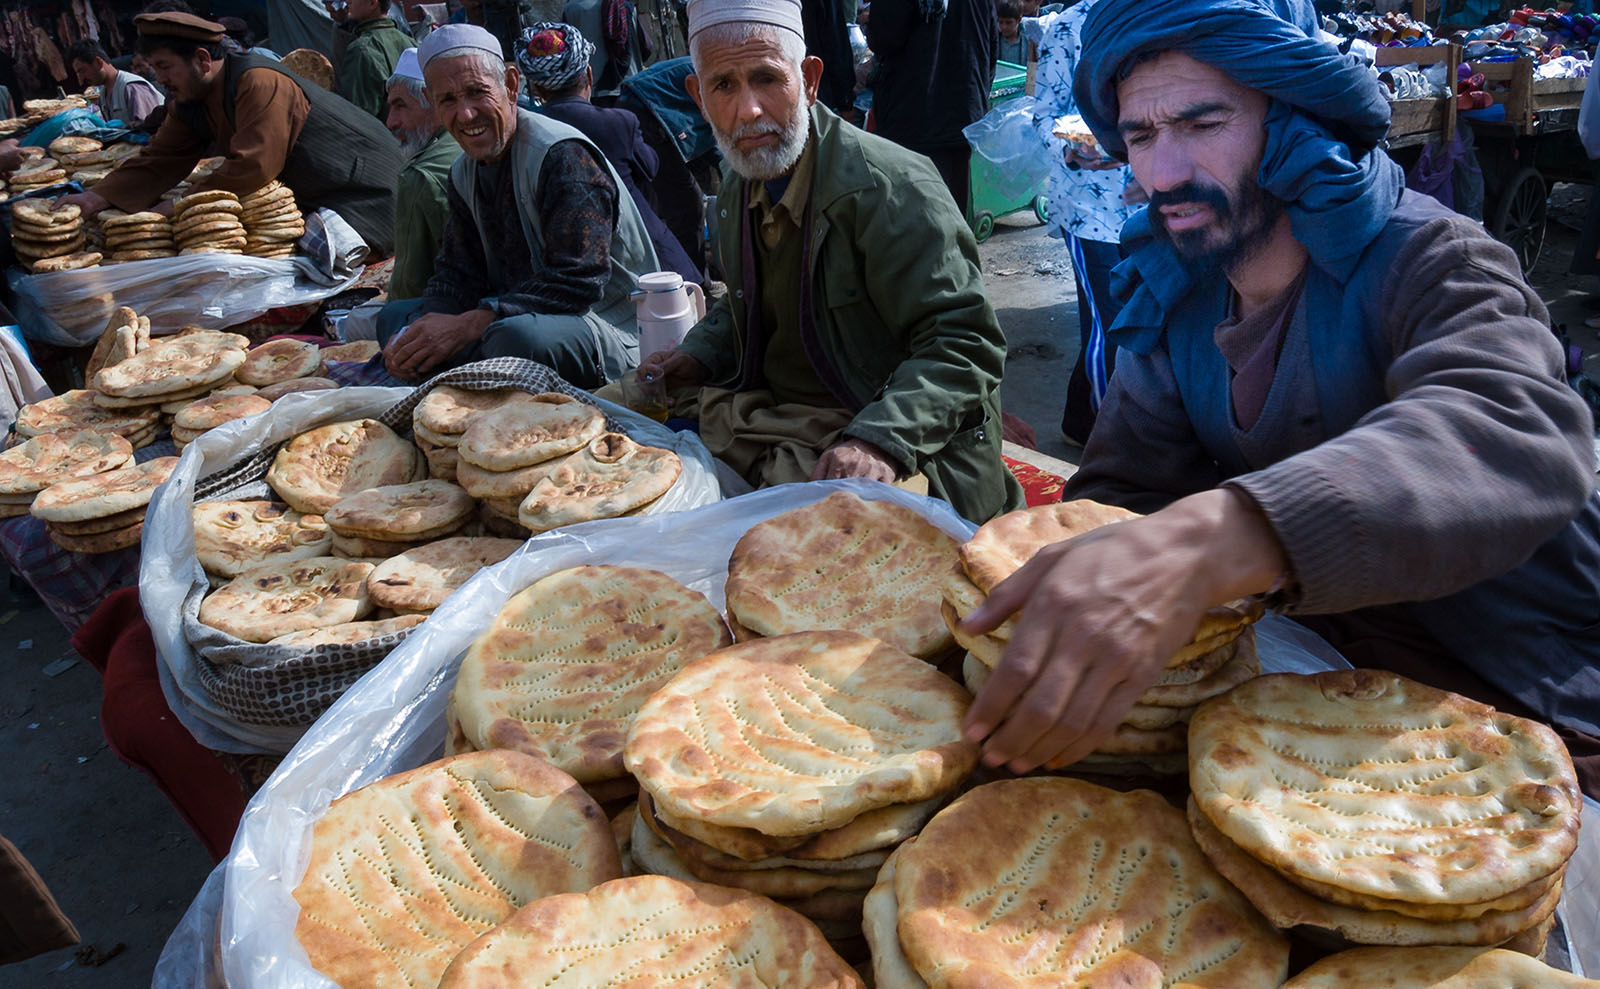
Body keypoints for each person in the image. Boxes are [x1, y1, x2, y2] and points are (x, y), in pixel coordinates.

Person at [961, 0, 1600, 798]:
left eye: (1202, 123)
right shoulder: (1178, 292)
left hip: (1526, 696)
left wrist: (1224, 535)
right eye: (1142, 135)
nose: (1161, 173)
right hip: (1310, 704)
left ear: (1291, 122)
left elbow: (1514, 430)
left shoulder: (1432, 257)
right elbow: (1122, 497)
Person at [638, 0, 1024, 523]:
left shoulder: (891, 189)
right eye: (723, 86)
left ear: (810, 79)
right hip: (781, 415)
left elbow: (965, 341)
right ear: (698, 99)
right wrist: (698, 353)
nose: (748, 110)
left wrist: (880, 440)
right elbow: (751, 303)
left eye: (767, 79)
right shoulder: (737, 184)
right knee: (624, 419)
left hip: (888, 430)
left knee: (784, 536)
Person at [377, 24, 658, 387]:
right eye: (448, 100)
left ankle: (473, 371)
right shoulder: (464, 170)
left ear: (511, 85)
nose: (465, 115)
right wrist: (429, 328)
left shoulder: (562, 155)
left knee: (515, 340)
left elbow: (580, 282)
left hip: (602, 323)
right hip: (510, 313)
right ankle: (470, 370)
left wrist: (470, 324)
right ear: (432, 101)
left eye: (477, 93)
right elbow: (457, 270)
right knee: (395, 322)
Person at [59, 9, 403, 257]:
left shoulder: (258, 81)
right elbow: (159, 158)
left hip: (365, 192)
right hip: (320, 193)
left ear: (203, 60)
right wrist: (95, 198)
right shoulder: (189, 99)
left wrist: (178, 206)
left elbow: (253, 165)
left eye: (165, 67)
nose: (159, 79)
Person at [1028, 0, 1138, 445]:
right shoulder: (1069, 28)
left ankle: (1079, 419)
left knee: (1136, 319)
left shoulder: (1152, 19)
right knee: (1106, 326)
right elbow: (1043, 116)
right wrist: (1073, 151)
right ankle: (1108, 436)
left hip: (1149, 202)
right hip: (1089, 210)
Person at [516, 23, 702, 285]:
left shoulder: (526, 132)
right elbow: (650, 167)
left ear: (538, 90)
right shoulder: (619, 123)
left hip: (565, 263)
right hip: (641, 254)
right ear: (589, 76)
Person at [866, 0, 998, 212]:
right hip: (962, 114)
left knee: (911, 218)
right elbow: (991, 44)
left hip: (910, 118)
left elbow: (883, 38)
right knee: (951, 214)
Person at [386, 47, 462, 300]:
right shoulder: (475, 142)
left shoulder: (420, 176)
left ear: (432, 102)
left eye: (401, 106)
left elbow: (408, 288)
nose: (391, 121)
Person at [332, 0, 414, 120]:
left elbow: (359, 118)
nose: (347, 1)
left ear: (372, 3)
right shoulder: (410, 42)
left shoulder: (361, 49)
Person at [67, 39, 164, 128]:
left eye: (82, 71)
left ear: (98, 62)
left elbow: (151, 131)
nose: (81, 79)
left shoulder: (132, 88)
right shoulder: (103, 94)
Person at [995, 0, 1028, 65]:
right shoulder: (994, 39)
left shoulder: (1029, 41)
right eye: (1001, 22)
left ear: (1019, 20)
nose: (1004, 27)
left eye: (1008, 23)